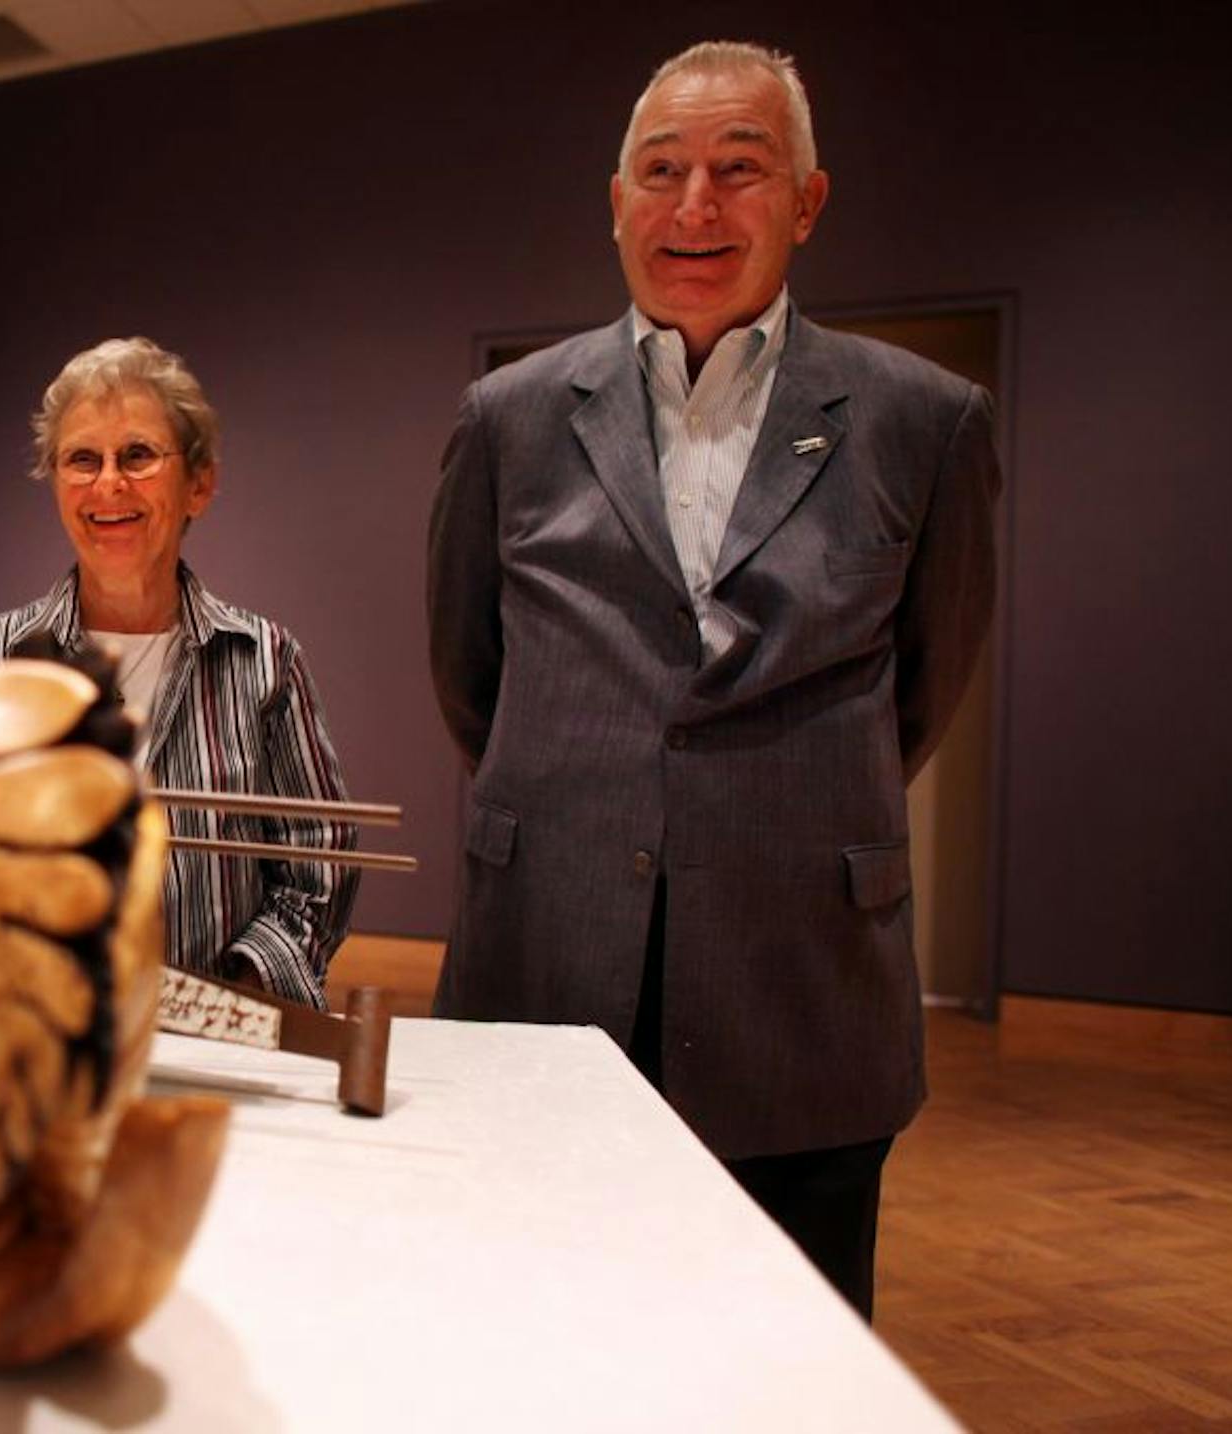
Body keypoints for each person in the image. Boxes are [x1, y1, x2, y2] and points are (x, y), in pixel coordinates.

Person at [425, 41, 999, 1319]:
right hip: (545, 970)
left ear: (806, 203)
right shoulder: (507, 417)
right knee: (533, 1342)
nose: (695, 208)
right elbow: (472, 675)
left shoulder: (926, 420)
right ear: (616, 198)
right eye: (662, 170)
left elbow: (927, 677)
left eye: (740, 171)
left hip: (804, 999)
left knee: (782, 1363)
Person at [0, 337, 359, 1008]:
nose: (109, 484)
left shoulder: (265, 661)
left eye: (137, 455)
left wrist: (224, 1002)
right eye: (82, 459)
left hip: (219, 1058)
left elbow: (322, 858)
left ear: (199, 484)